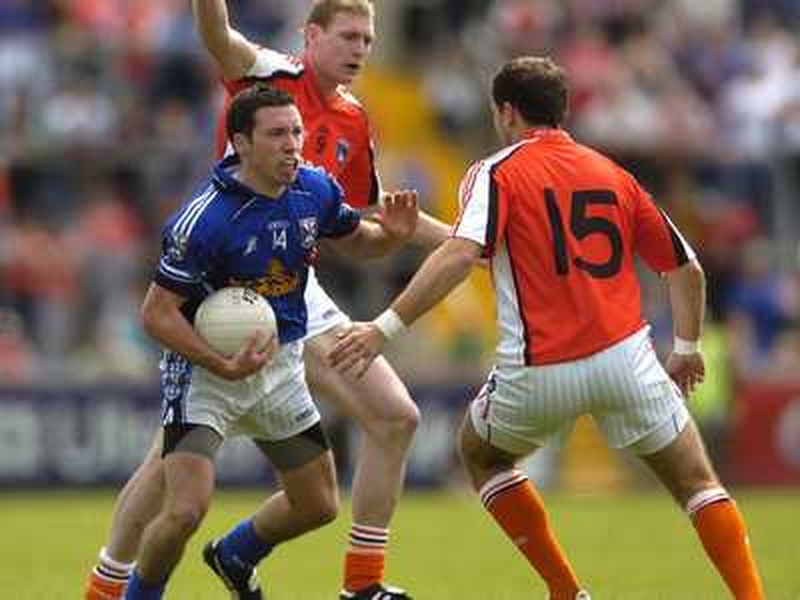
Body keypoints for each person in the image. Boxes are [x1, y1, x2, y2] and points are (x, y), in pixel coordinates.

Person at [328, 57, 766, 600]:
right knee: (698, 483)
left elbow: (463, 255)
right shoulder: (612, 173)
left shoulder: (496, 171)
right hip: (625, 360)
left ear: (507, 112)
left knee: (481, 455)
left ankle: (564, 590)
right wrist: (687, 346)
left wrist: (383, 328)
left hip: (539, 369)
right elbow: (686, 267)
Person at [84, 1, 449, 599]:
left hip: (294, 287)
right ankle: (108, 588)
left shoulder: (353, 124)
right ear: (311, 36)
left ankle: (354, 583)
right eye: (348, 36)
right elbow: (215, 35)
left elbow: (363, 224)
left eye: (368, 39)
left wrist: (470, 240)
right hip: (223, 286)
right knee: (173, 482)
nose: (360, 49)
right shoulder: (269, 75)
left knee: (394, 416)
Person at [122, 85, 417, 600]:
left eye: (297, 131)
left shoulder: (313, 189)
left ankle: (234, 553)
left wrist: (390, 235)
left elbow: (360, 243)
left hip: (280, 372)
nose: (293, 144)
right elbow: (157, 315)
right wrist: (220, 361)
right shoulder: (205, 221)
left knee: (319, 504)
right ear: (240, 142)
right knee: (186, 509)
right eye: (277, 134)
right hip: (205, 380)